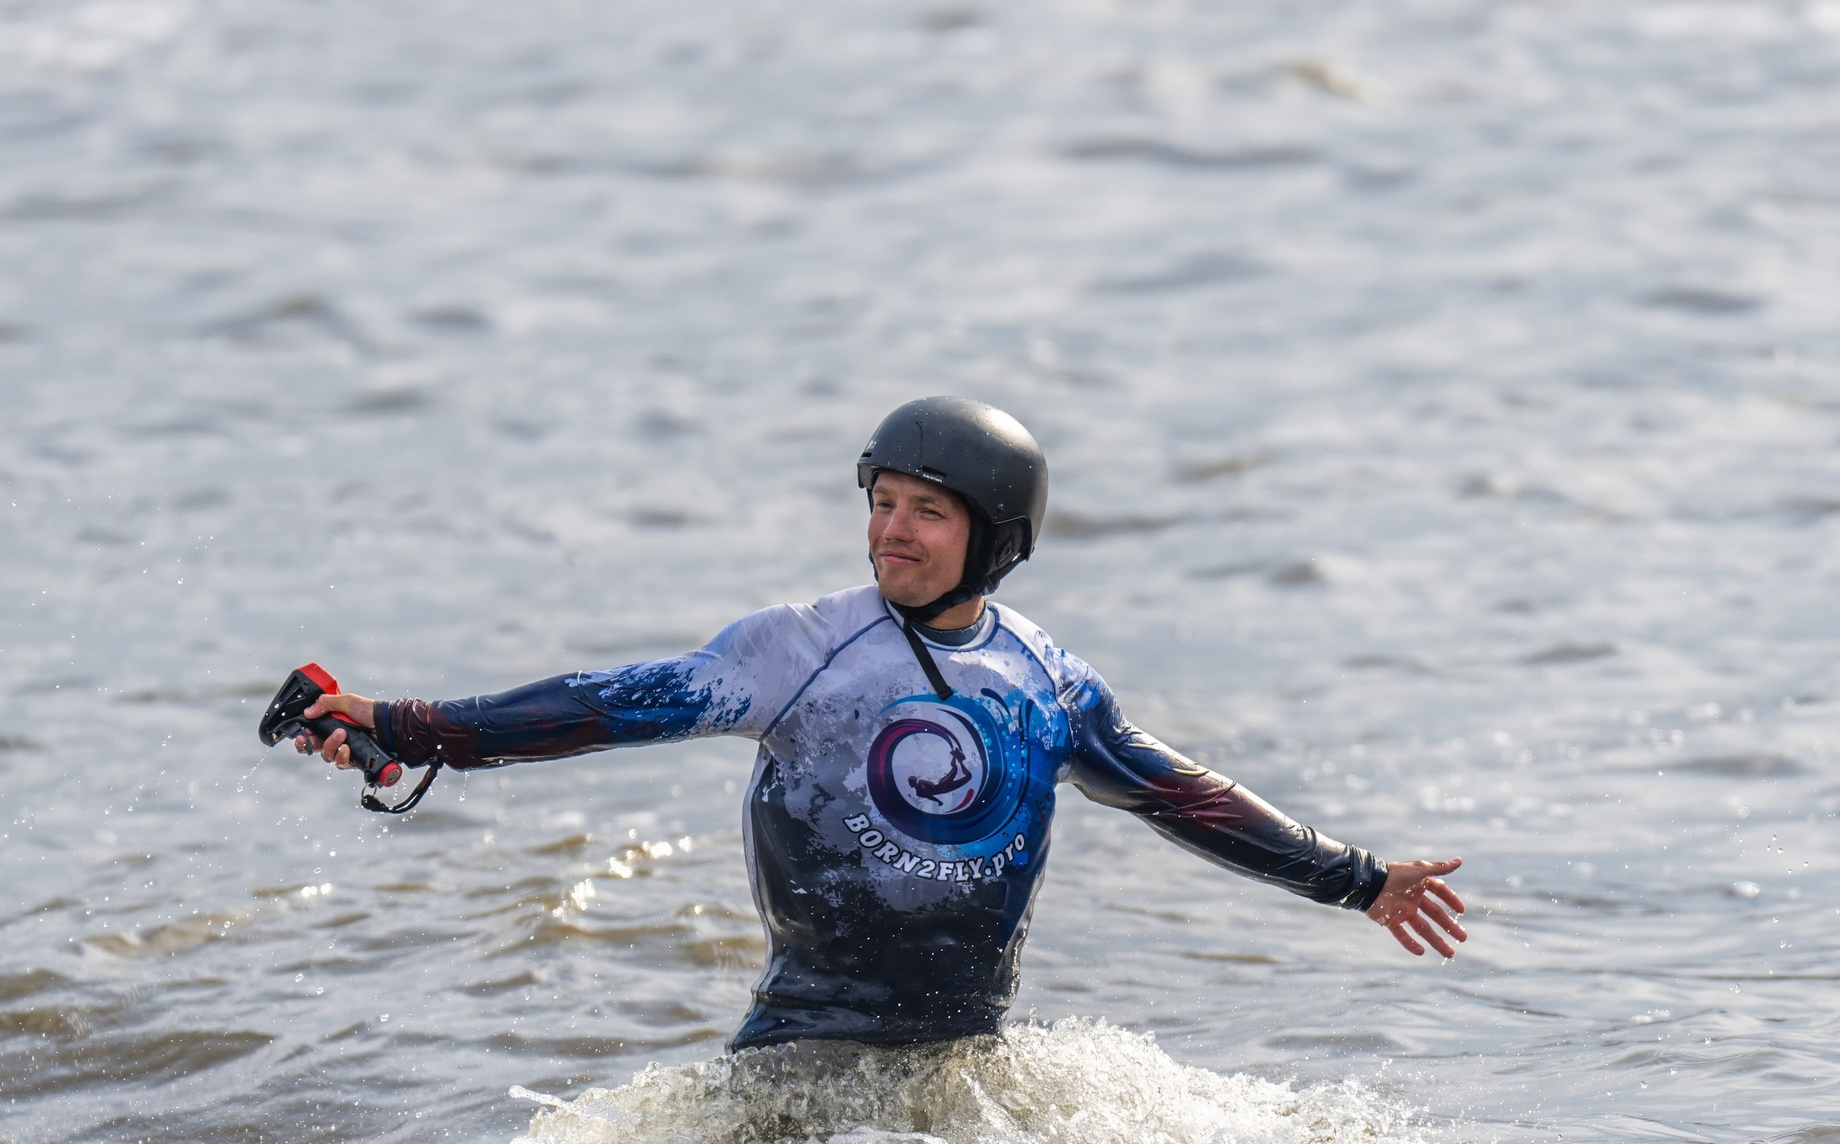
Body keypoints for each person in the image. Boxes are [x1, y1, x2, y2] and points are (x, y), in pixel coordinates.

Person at [296, 396, 1468, 1051]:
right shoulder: (796, 649)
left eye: (926, 513)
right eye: (881, 504)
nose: (891, 532)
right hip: (806, 1056)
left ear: (995, 536)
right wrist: (411, 724)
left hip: (964, 1059)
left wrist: (1354, 880)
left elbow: (1177, 794)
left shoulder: (1045, 683)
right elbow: (607, 704)